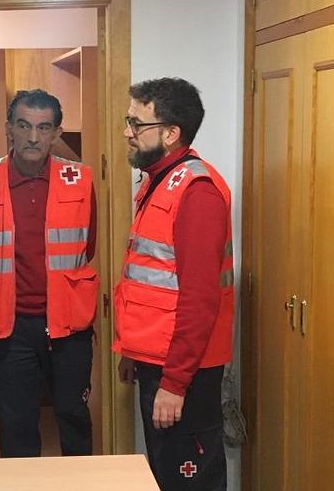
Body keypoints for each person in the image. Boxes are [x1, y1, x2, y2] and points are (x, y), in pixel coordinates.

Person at [113, 77, 233, 490]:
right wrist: (133, 352)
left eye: (137, 123)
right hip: (159, 362)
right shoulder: (159, 181)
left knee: (188, 481)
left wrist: (174, 384)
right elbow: (151, 283)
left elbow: (200, 300)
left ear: (170, 133)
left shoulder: (197, 192)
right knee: (165, 475)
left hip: (185, 371)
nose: (128, 132)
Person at [0, 89, 98, 457]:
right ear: (9, 129)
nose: (33, 137)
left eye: (44, 127)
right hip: (9, 325)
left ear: (56, 132)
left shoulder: (79, 178)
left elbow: (88, 244)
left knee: (72, 415)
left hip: (67, 322)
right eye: (24, 125)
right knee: (16, 423)